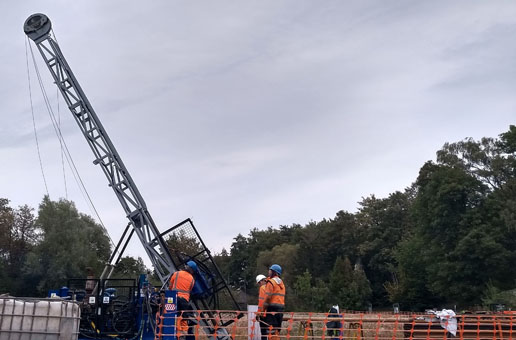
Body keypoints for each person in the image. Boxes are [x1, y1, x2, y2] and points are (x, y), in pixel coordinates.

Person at [169, 261, 197, 340]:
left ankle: (176, 334)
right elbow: (190, 289)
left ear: (186, 266)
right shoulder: (192, 279)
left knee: (174, 316)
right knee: (184, 318)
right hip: (185, 300)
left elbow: (170, 286)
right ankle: (183, 336)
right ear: (192, 270)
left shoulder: (176, 274)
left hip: (175, 298)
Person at [263, 264, 285, 340]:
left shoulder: (271, 282)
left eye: (270, 270)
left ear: (274, 272)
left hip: (272, 310)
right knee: (276, 332)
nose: (268, 272)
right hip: (280, 310)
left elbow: (267, 298)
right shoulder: (281, 283)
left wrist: (263, 310)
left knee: (271, 332)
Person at [255, 274, 268, 340]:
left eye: (259, 283)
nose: (259, 284)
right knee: (272, 333)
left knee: (264, 333)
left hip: (264, 315)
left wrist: (258, 314)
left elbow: (261, 303)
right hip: (272, 314)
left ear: (262, 281)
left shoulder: (262, 288)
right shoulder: (271, 287)